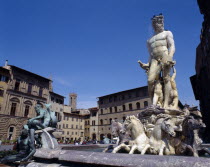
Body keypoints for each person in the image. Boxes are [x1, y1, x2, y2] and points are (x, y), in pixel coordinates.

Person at [138, 14, 176, 108]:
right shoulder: (149, 40)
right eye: (156, 23)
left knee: (166, 79)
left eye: (160, 22)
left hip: (164, 56)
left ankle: (166, 104)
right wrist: (147, 64)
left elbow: (171, 46)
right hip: (154, 60)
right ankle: (154, 104)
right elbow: (150, 54)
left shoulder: (167, 33)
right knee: (150, 80)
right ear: (153, 24)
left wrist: (169, 57)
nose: (159, 24)